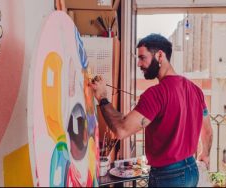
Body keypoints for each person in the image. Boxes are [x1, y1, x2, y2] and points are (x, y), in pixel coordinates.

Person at [90, 33, 213, 187]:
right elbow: (207, 131)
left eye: (143, 58)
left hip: (169, 177)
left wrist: (102, 98)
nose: (139, 64)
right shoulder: (195, 90)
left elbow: (121, 130)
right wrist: (205, 154)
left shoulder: (156, 94)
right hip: (191, 170)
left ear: (160, 55)